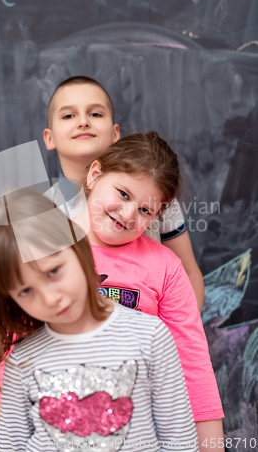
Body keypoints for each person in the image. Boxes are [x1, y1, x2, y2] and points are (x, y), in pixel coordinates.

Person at [0, 190, 199, 452]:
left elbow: (180, 441)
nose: (50, 297)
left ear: (76, 246)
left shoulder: (150, 337)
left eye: (53, 271)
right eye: (25, 291)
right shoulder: (21, 363)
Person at [74, 131, 224, 452]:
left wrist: (211, 447)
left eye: (146, 210)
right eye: (123, 194)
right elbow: (13, 357)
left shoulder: (165, 268)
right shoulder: (47, 249)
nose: (128, 215)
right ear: (95, 174)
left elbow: (193, 366)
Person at [43, 76, 205, 311]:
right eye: (69, 115)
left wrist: (179, 338)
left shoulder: (157, 197)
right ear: (49, 137)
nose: (83, 122)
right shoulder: (40, 211)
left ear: (115, 133)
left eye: (95, 114)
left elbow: (189, 274)